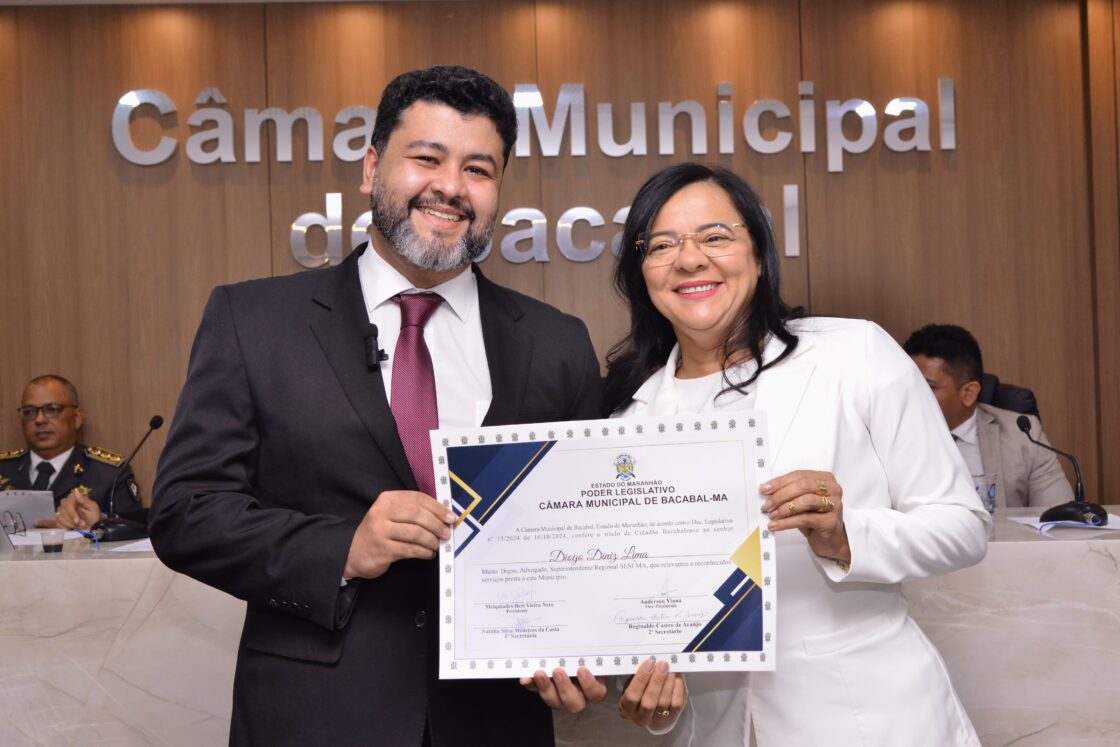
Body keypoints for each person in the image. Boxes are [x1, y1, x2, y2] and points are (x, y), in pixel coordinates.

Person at [149, 66, 605, 746]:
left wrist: (580, 645)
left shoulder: (557, 342)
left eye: (478, 169)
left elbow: (585, 532)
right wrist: (343, 547)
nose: (451, 186)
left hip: (495, 722)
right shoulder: (254, 321)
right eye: (427, 157)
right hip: (313, 720)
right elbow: (185, 512)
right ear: (371, 168)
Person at [600, 163, 989, 746]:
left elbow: (964, 526)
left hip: (868, 719)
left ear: (759, 255)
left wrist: (844, 535)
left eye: (715, 236)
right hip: (715, 730)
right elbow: (644, 613)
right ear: (641, 273)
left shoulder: (854, 354)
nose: (689, 259)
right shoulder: (628, 425)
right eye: (661, 245)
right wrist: (658, 702)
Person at [903, 324, 1074, 508]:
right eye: (908, 383)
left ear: (969, 393)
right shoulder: (890, 434)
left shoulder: (1023, 437)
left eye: (928, 386)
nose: (912, 393)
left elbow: (1059, 515)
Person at [0, 374, 142, 530]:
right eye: (29, 412)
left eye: (52, 409)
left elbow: (135, 531)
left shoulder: (109, 474)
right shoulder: (3, 468)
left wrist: (98, 525)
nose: (39, 420)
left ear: (77, 418)